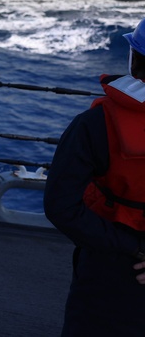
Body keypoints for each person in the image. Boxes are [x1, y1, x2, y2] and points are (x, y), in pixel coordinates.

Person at [44, 18, 145, 335]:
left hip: (112, 263)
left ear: (134, 58)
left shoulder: (93, 124)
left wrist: (131, 246)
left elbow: (61, 206)